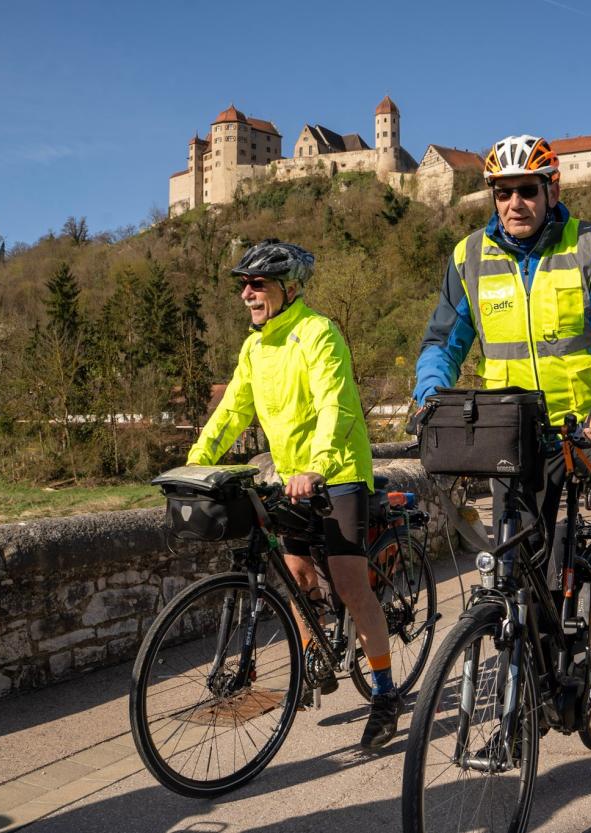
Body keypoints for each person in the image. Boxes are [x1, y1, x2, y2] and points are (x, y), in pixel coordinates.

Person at [413, 134, 591, 659]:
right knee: (523, 557)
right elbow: (442, 341)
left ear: (550, 190)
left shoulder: (589, 244)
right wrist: (430, 396)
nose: (514, 203)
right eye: (503, 192)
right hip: (514, 427)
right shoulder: (469, 256)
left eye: (526, 190)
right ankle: (534, 664)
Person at [186, 239, 402, 750]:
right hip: (290, 478)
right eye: (243, 285)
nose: (247, 293)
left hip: (338, 471)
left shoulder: (318, 334)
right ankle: (317, 656)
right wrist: (197, 459)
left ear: (288, 287)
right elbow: (233, 410)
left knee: (351, 585)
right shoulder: (254, 348)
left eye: (257, 284)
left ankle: (386, 692)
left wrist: (316, 466)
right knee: (298, 575)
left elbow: (336, 407)